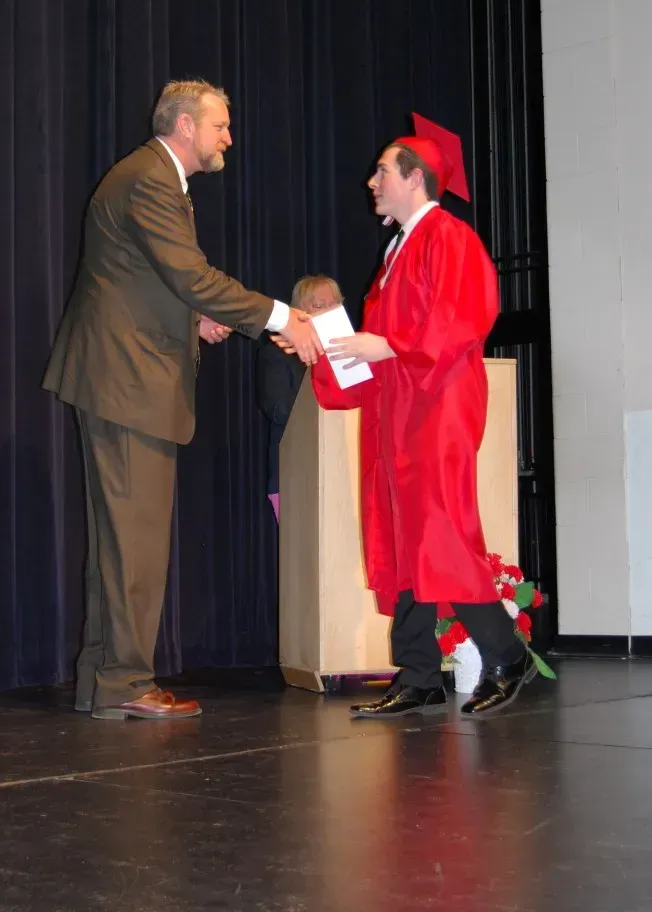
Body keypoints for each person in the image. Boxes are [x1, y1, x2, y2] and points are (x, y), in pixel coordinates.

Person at [43, 79, 320, 721]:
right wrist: (282, 317)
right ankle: (124, 681)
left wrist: (193, 318)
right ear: (186, 126)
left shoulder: (151, 178)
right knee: (135, 541)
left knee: (119, 541)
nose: (229, 138)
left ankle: (104, 680)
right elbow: (190, 274)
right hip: (126, 380)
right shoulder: (150, 180)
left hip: (119, 376)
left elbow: (142, 277)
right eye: (220, 126)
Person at [305, 130, 539, 719]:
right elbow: (376, 350)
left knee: (440, 532)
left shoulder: (448, 237)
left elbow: (460, 319)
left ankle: (507, 655)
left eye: (382, 170)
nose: (372, 181)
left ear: (415, 177)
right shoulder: (396, 253)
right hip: (400, 413)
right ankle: (418, 674)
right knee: (405, 536)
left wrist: (384, 345)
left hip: (437, 407)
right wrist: (325, 348)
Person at [256, 275, 343, 522]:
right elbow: (279, 409)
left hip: (342, 469)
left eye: (335, 305)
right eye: (319, 306)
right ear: (299, 314)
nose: (329, 313)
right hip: (294, 471)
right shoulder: (277, 354)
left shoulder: (350, 356)